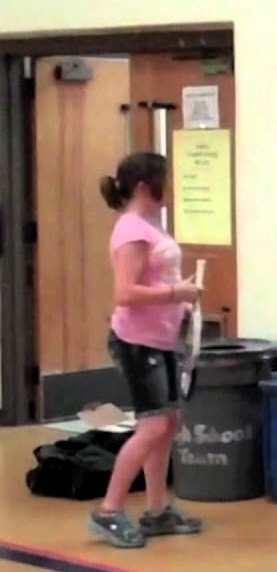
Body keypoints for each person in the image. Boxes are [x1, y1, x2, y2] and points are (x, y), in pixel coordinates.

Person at [88, 152, 204, 549]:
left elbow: (158, 278)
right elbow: (125, 292)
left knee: (169, 423)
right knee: (152, 426)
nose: (168, 188)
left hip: (163, 338)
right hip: (138, 343)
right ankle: (108, 511)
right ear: (143, 186)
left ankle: (157, 510)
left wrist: (182, 301)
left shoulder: (150, 226)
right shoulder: (132, 230)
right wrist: (177, 292)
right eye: (163, 180)